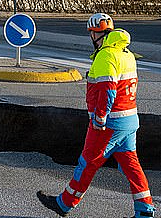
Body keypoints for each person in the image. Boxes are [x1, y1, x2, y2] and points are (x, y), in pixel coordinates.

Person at [37, 13, 155, 218]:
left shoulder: (106, 56)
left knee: (88, 162)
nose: (91, 37)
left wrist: (100, 119)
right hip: (129, 120)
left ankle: (64, 203)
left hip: (110, 123)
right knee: (131, 165)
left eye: (92, 33)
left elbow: (107, 91)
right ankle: (145, 210)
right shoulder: (126, 54)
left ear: (97, 35)